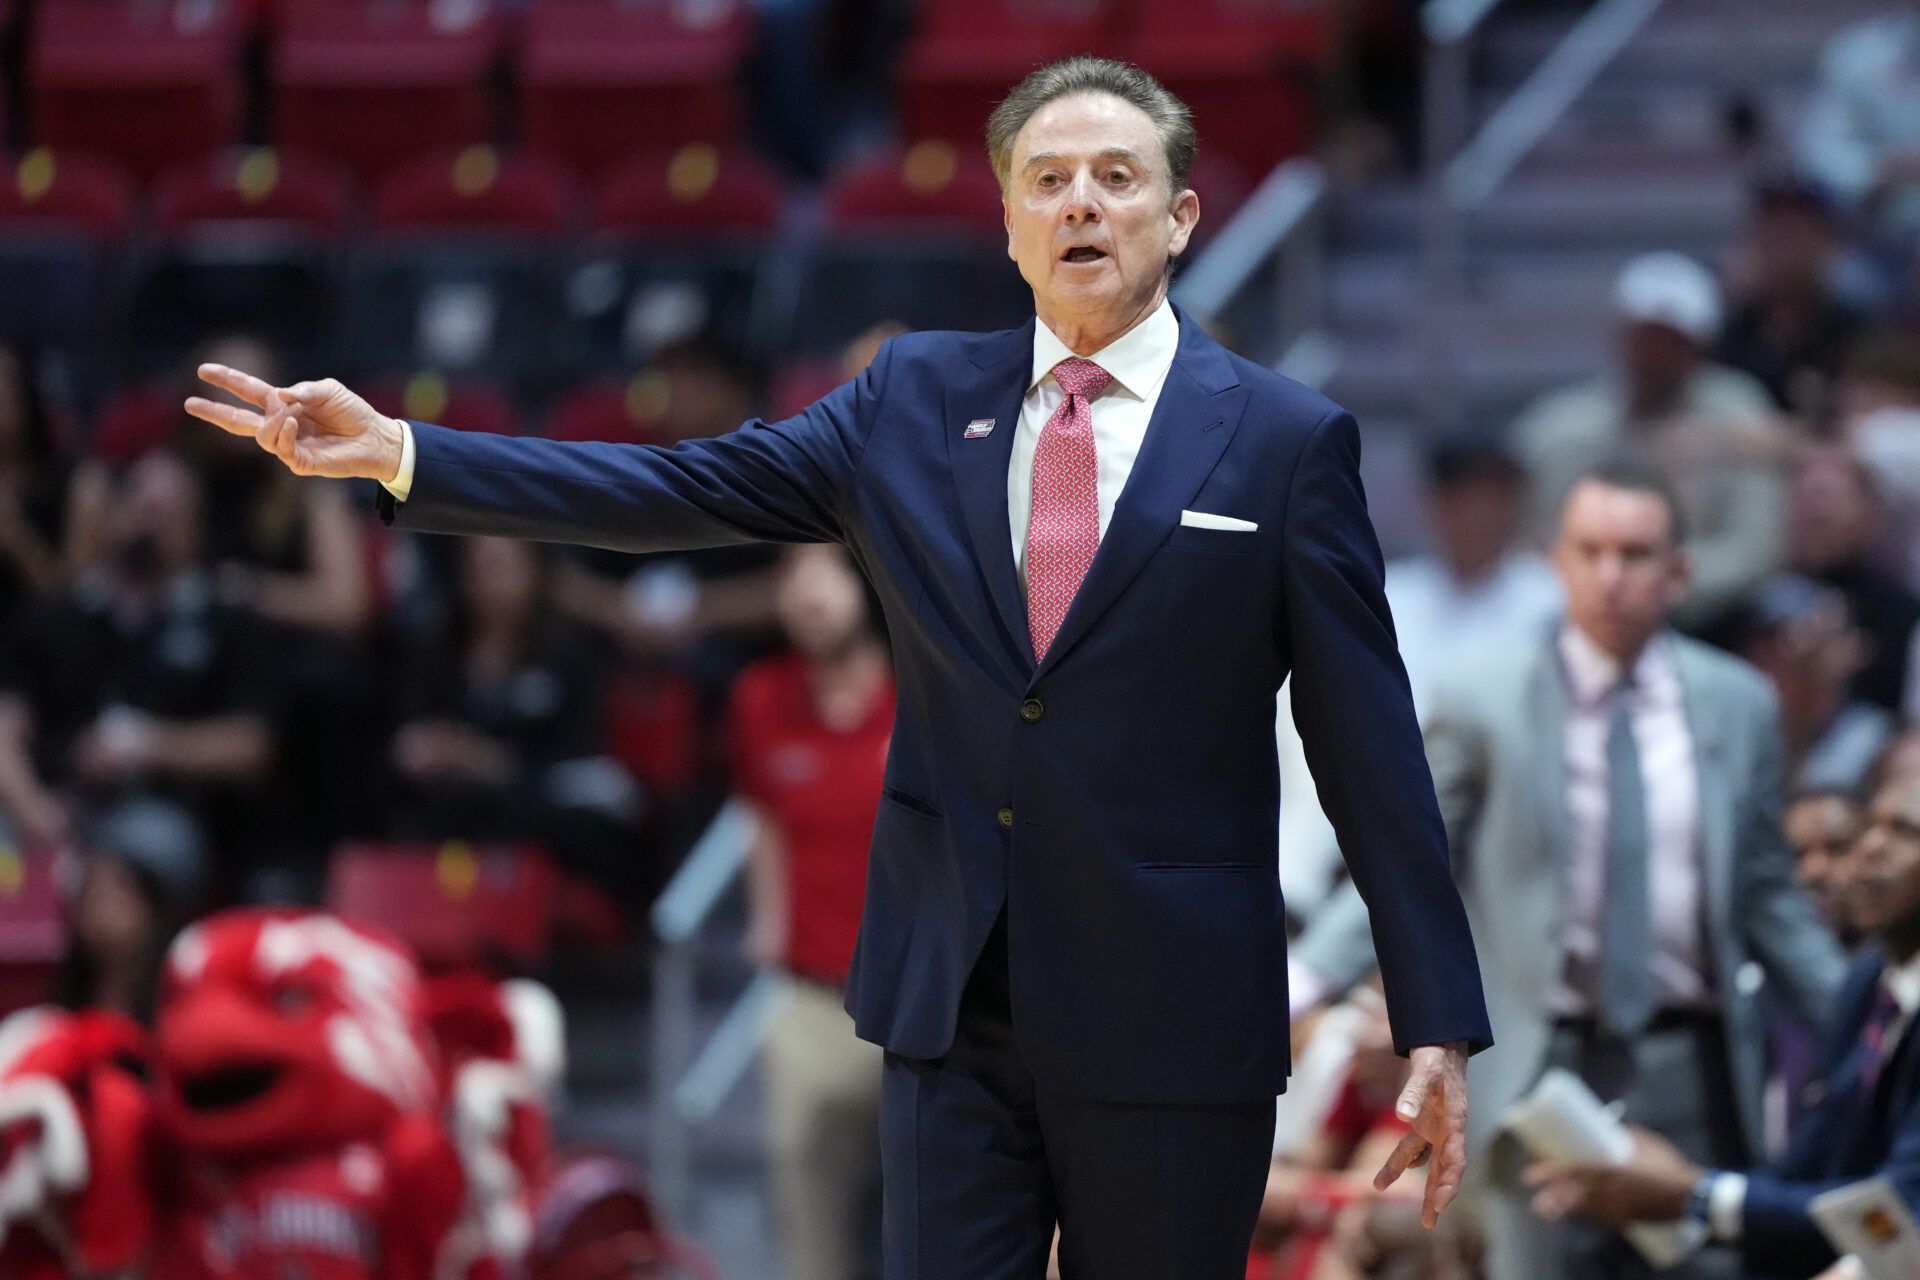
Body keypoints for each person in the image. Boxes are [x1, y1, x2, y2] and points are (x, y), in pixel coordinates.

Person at [183, 56, 1492, 1278]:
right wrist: (406, 453)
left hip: (1172, 1013)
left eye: (1115, 176)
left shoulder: (1283, 438)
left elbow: (1365, 739)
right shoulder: (911, 398)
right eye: (1046, 179)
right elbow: (673, 488)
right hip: (953, 1008)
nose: (1079, 202)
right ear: (1007, 223)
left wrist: (1433, 1009)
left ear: (1185, 215)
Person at [1293, 458, 1847, 1279]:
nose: (1611, 576)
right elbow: (1413, 856)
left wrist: (1867, 1013)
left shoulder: (1737, 701)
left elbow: (1767, 890)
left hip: (1692, 1063)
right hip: (1537, 1060)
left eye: (1636, 554)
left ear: (1679, 571)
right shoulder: (1484, 696)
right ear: (1558, 561)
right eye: (1590, 551)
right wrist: (1306, 977)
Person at [1528, 773, 1920, 1279]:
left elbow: (1894, 1209)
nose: (1870, 849)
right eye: (1869, 827)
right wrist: (1677, 1190)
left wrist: (1694, 1194)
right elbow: (1811, 1163)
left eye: (1905, 832)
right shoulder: (1871, 981)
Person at [732, 543, 894, 1280]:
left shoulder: (925, 690)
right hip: (809, 998)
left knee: (938, 1225)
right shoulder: (760, 699)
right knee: (811, 1234)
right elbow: (760, 811)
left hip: (919, 1007)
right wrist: (766, 917)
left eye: (826, 569)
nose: (808, 591)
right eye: (791, 571)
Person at [1508, 252, 1784, 623]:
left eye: (1670, 340)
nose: (1654, 353)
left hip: (1710, 621)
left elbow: (1754, 548)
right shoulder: (1557, 429)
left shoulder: (1741, 414)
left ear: (1701, 345)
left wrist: (1648, 583)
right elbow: (1525, 543)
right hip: (1570, 615)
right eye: (1644, 336)